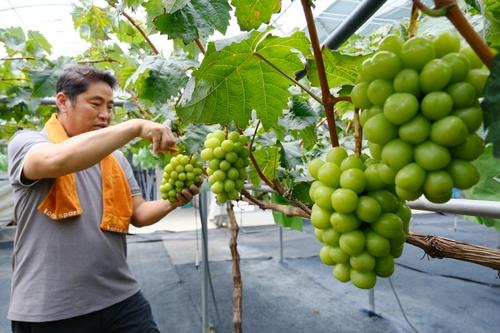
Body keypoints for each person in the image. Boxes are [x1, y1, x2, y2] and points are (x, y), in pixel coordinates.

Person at [7, 65, 199, 333]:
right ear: (63, 101)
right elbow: (56, 160)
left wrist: (173, 201)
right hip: (51, 311)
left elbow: (139, 213)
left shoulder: (116, 159)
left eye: (110, 106)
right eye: (95, 104)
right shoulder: (27, 143)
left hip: (121, 299)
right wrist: (134, 126)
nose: (105, 115)